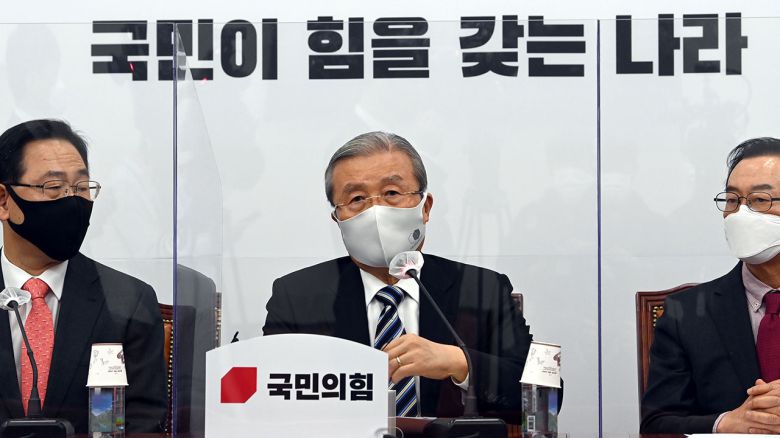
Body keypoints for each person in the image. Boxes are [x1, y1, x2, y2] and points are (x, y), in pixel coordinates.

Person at [263, 131, 553, 421]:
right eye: (357, 198)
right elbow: (267, 398)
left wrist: (459, 363)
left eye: (391, 193)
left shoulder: (482, 289)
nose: (376, 211)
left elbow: (545, 396)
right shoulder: (296, 296)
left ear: (425, 208)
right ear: (338, 219)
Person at [0, 119, 167, 432]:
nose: (72, 200)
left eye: (81, 188)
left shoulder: (128, 301)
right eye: (53, 187)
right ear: (3, 200)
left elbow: (144, 424)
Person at [641, 137, 780, 434]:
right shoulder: (686, 313)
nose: (741, 214)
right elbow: (657, 424)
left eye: (760, 200)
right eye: (732, 200)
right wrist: (727, 423)